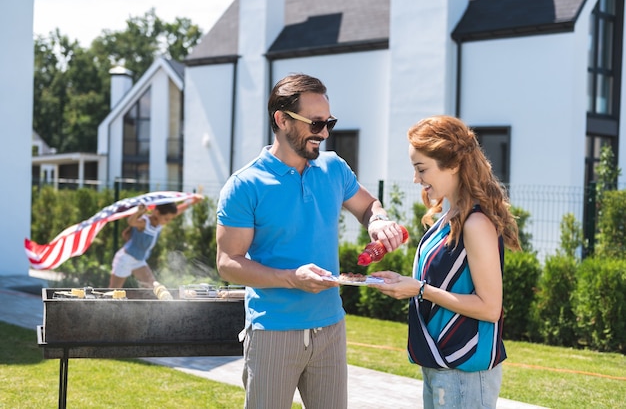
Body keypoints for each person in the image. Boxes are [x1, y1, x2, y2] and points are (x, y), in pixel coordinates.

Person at [215, 73, 405, 409]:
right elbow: (229, 263)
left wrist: (378, 220)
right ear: (282, 119)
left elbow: (367, 206)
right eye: (316, 123)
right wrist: (291, 278)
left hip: (330, 327)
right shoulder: (245, 185)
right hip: (273, 330)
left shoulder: (334, 168)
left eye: (328, 122)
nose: (325, 133)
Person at [371, 115, 521, 409]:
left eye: (421, 168)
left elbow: (490, 308)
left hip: (463, 370)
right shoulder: (451, 215)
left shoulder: (475, 223)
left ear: (452, 165)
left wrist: (419, 289)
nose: (416, 179)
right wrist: (407, 285)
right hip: (442, 363)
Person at [109, 195, 202, 288]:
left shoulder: (159, 223)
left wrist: (192, 201)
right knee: (114, 290)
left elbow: (178, 210)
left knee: (153, 288)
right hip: (125, 259)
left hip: (139, 261)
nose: (168, 221)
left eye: (170, 219)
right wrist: (138, 212)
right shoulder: (144, 222)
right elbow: (131, 222)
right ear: (157, 212)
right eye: (166, 219)